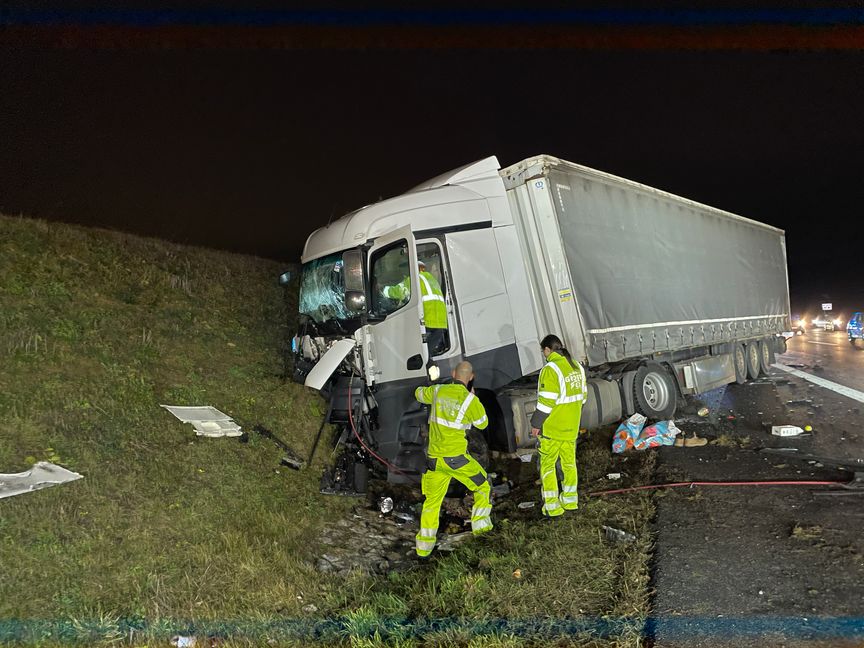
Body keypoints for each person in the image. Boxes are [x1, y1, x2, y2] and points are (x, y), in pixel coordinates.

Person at [413, 361, 492, 557]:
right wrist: (474, 399)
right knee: (483, 486)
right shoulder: (470, 400)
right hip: (456, 460)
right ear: (471, 377)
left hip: (434, 461)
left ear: (453, 373)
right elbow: (482, 424)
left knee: (432, 502)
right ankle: (482, 531)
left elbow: (418, 393)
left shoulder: (438, 391)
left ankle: (423, 549)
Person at [530, 334, 587, 518]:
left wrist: (535, 424)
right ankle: (570, 501)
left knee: (547, 466)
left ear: (548, 350)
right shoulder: (576, 366)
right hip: (571, 428)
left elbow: (546, 403)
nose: (544, 355)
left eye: (543, 352)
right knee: (569, 464)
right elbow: (583, 398)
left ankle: (552, 507)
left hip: (552, 430)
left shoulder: (550, 369)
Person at [381, 260, 448, 356]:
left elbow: (399, 291)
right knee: (427, 354)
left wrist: (383, 290)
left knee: (415, 352)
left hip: (427, 321)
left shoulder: (414, 279)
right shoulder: (431, 279)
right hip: (440, 322)